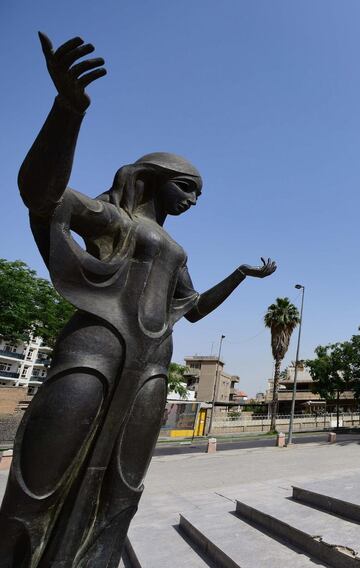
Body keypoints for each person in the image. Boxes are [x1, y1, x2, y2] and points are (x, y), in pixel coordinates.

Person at [0, 33, 276, 567]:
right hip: (94, 350)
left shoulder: (177, 249)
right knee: (39, 486)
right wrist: (68, 111)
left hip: (152, 368)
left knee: (121, 493)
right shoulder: (113, 218)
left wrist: (240, 275)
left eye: (198, 194)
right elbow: (40, 194)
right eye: (187, 188)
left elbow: (193, 309)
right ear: (155, 179)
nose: (193, 201)